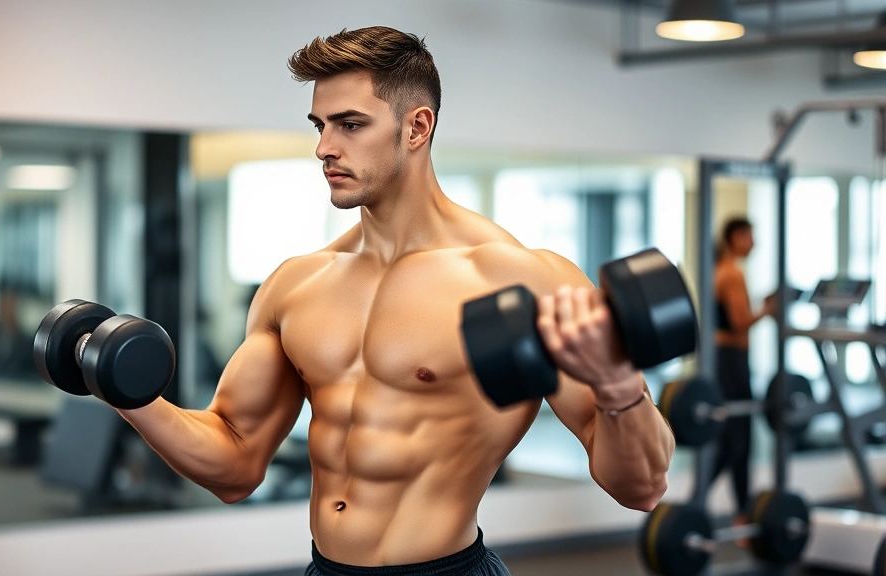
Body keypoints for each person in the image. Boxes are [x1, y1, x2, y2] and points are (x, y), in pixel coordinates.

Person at [118, 27, 674, 575]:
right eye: (319, 125)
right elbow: (235, 464)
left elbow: (642, 488)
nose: (324, 148)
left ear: (417, 127)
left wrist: (617, 385)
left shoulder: (518, 280)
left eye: (350, 124)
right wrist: (123, 388)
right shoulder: (295, 285)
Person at [712, 217, 773, 533]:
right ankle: (741, 514)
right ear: (735, 237)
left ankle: (703, 505)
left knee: (729, 441)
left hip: (723, 359)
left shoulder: (719, 270)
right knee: (740, 440)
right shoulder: (732, 273)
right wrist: (769, 310)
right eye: (749, 236)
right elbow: (739, 323)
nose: (754, 243)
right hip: (732, 360)